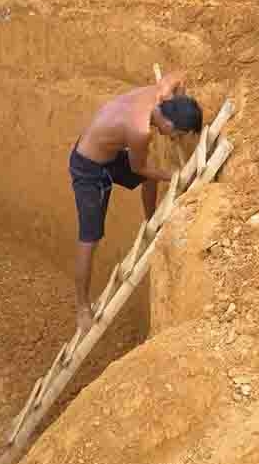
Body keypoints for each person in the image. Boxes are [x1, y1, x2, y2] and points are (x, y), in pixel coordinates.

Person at [68, 71, 201, 334]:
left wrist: (181, 93)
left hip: (109, 151)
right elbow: (140, 168)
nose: (172, 139)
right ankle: (82, 307)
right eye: (176, 134)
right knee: (90, 239)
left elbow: (179, 74)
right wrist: (177, 177)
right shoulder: (140, 132)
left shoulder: (162, 92)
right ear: (170, 124)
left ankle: (149, 218)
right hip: (89, 168)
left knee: (150, 175)